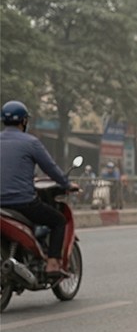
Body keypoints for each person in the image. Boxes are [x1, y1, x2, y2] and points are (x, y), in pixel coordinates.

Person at [0, 100, 78, 276]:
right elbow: (51, 168)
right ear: (24, 121)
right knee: (58, 220)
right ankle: (52, 264)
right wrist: (67, 184)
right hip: (22, 202)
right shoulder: (31, 142)